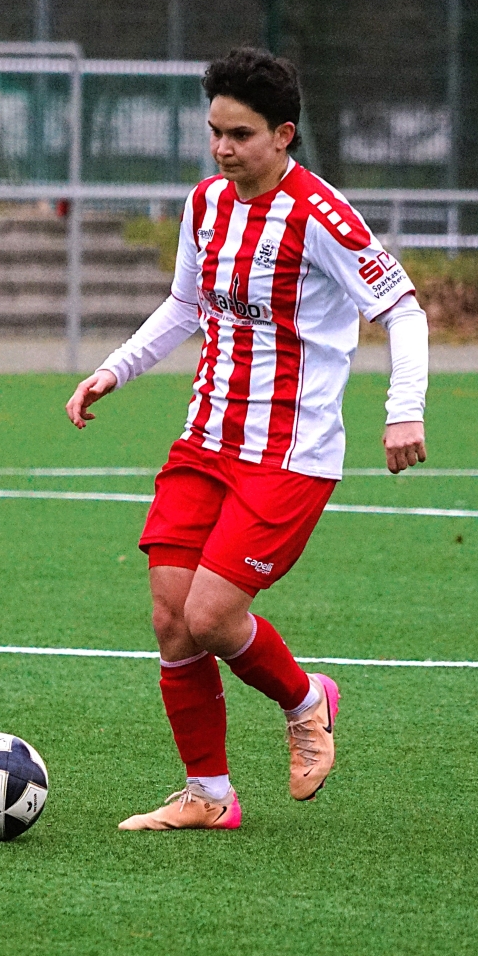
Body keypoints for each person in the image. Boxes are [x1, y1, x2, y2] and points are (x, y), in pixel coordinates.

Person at [65, 47, 429, 831]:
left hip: (289, 455)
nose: (221, 148)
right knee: (171, 619)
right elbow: (184, 305)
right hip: (205, 441)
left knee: (212, 616)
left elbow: (403, 309)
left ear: (283, 134)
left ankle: (306, 701)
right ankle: (208, 795)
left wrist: (405, 409)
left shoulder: (320, 215)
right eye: (214, 131)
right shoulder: (205, 204)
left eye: (239, 135)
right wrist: (115, 369)